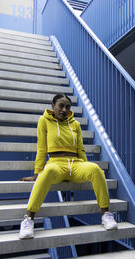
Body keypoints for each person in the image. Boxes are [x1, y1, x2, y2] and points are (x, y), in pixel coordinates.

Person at [19, 93, 118, 239]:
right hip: (56, 164)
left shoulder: (75, 124)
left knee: (96, 169)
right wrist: (37, 173)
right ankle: (28, 219)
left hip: (76, 164)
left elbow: (80, 149)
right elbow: (41, 148)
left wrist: (85, 167)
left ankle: (106, 215)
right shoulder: (44, 121)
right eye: (61, 106)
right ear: (53, 106)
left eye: (67, 107)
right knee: (47, 171)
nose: (64, 110)